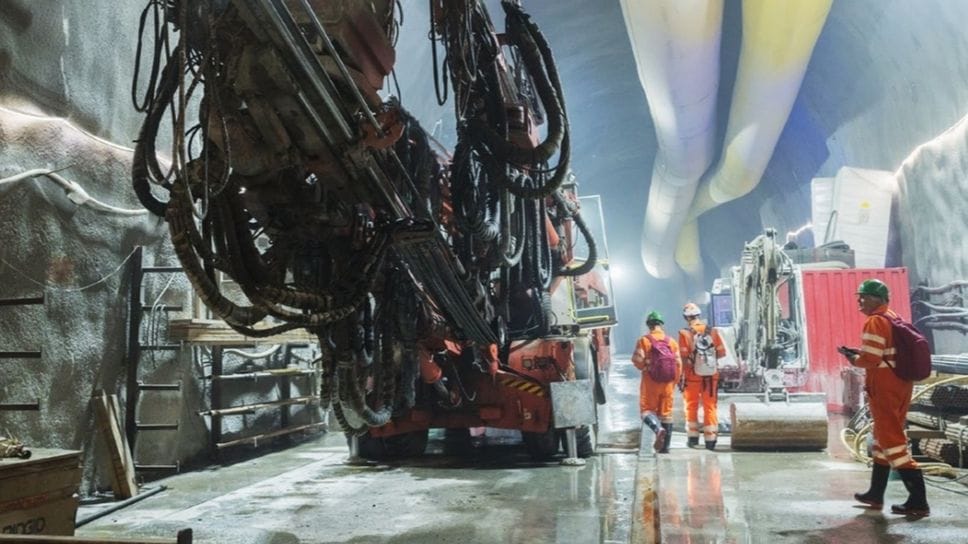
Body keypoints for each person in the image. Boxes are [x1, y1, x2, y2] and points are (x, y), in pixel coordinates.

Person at [841, 279, 930, 516]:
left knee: (891, 440)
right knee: (881, 438)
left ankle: (918, 500)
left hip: (885, 387)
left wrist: (853, 358)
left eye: (865, 296)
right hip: (900, 383)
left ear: (878, 299)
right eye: (859, 296)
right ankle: (875, 494)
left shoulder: (874, 321)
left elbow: (870, 359)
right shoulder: (892, 317)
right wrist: (862, 355)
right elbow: (883, 353)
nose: (860, 300)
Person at [678, 302, 726, 450]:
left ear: (686, 318)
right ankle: (710, 440)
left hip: (692, 376)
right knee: (710, 406)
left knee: (691, 406)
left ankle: (693, 438)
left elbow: (683, 357)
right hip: (711, 377)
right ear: (699, 315)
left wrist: (681, 376)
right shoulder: (713, 331)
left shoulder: (684, 333)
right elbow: (722, 353)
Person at [631, 311, 681, 453]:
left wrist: (646, 367)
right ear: (661, 324)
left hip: (650, 381)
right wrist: (675, 381)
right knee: (666, 414)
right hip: (668, 383)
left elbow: (637, 360)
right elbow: (678, 364)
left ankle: (657, 429)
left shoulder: (644, 340)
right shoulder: (671, 341)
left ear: (649, 325)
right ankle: (665, 448)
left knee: (646, 410)